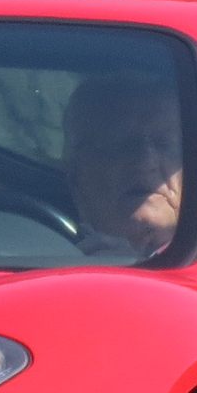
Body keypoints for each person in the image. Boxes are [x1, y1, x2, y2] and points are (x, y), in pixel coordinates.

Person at [63, 75, 185, 259]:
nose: (145, 162)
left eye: (164, 143)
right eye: (120, 144)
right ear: (77, 175)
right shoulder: (35, 257)